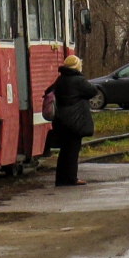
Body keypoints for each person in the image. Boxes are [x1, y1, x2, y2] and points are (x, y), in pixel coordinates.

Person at [46, 54, 97, 186]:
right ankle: (70, 178)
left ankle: (61, 179)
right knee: (73, 151)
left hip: (61, 119)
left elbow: (48, 91)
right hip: (75, 120)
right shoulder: (78, 80)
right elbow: (93, 91)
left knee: (65, 151)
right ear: (77, 66)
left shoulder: (60, 79)